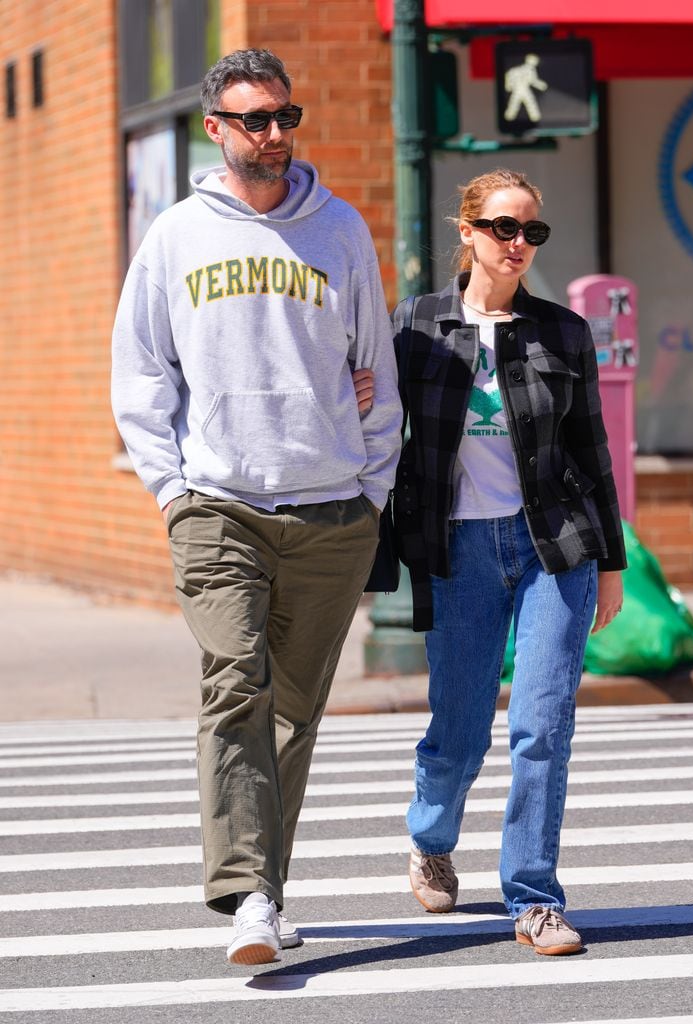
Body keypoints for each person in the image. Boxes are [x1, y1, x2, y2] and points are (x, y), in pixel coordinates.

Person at [111, 48, 401, 966]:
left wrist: (372, 486)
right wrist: (169, 489)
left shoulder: (340, 229)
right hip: (217, 504)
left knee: (294, 709)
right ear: (217, 129)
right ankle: (245, 897)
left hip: (329, 509)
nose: (273, 135)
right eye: (253, 120)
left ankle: (266, 894)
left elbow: (376, 370)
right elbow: (141, 372)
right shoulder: (175, 237)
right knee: (236, 683)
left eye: (283, 117)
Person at [392, 169, 626, 956]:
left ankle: (532, 896)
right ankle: (431, 837)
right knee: (459, 732)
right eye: (502, 228)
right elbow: (373, 430)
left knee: (541, 727)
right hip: (457, 548)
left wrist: (611, 562)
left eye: (531, 231)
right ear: (466, 231)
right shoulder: (416, 327)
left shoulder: (561, 332)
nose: (518, 244)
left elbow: (591, 451)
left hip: (551, 548)